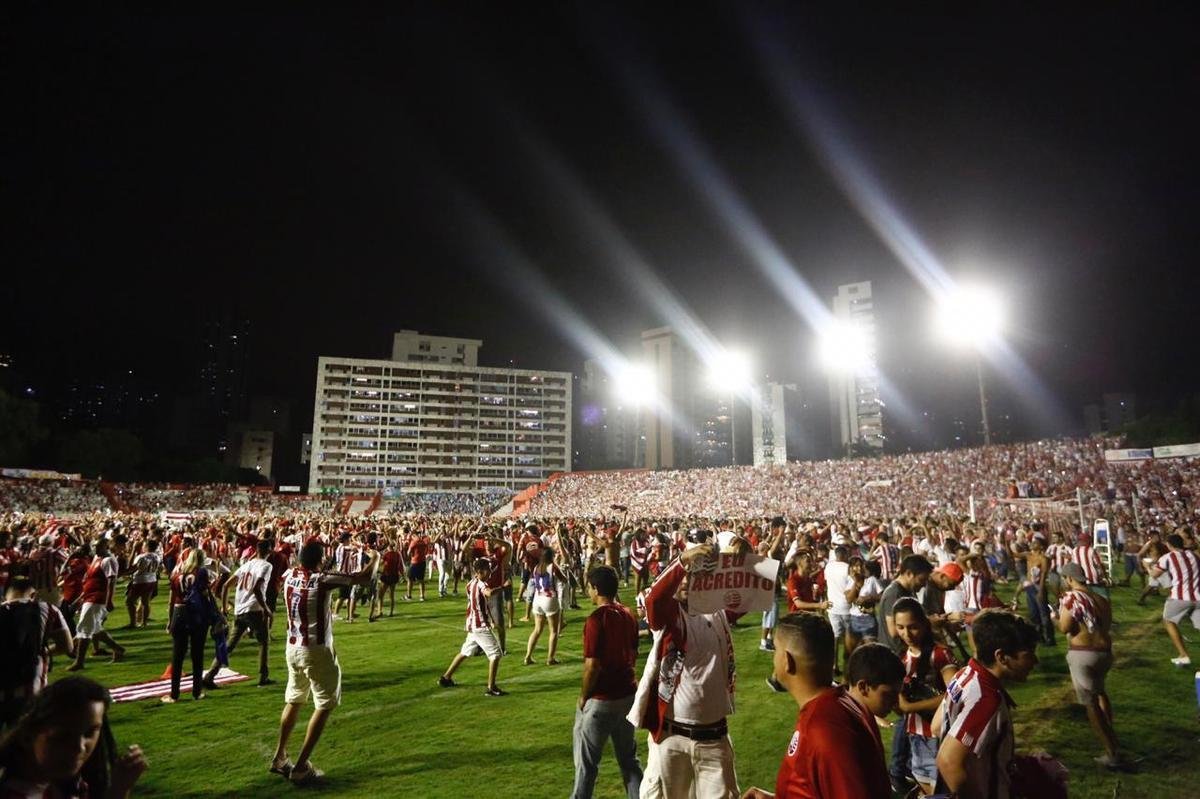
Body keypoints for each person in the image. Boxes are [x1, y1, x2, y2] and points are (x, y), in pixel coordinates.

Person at [738, 612, 894, 799]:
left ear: (787, 661)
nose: (774, 658)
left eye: (777, 649)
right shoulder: (842, 703)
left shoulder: (824, 728)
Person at [631, 537, 741, 799]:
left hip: (714, 737)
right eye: (682, 577)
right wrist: (682, 562)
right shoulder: (669, 617)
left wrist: (736, 558)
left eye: (691, 577)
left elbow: (749, 592)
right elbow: (655, 602)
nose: (684, 582)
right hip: (672, 738)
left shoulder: (717, 612)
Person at [271, 538, 378, 785]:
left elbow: (300, 575)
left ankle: (279, 757)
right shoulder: (322, 579)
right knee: (325, 703)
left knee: (294, 699)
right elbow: (364, 578)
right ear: (319, 560)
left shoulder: (289, 574)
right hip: (316, 649)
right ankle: (300, 767)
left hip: (292, 646)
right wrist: (375, 557)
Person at [935, 609, 1040, 799]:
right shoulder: (986, 700)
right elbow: (948, 760)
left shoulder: (965, 673)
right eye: (1029, 653)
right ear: (1001, 657)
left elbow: (937, 726)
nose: (1035, 661)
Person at [0, 676, 147, 799]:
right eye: (63, 736)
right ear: (29, 735)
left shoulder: (65, 783)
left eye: (89, 733)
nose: (79, 746)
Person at [572, 565, 642, 799]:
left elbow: (593, 665)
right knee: (629, 761)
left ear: (595, 588)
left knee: (586, 767)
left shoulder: (596, 619)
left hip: (602, 700)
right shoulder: (628, 613)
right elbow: (634, 651)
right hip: (628, 695)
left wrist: (583, 696)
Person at [1056, 562, 1130, 770]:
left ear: (1069, 579)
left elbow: (1064, 627)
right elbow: (1105, 625)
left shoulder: (1071, 598)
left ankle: (1111, 752)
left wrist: (1055, 617)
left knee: (1090, 703)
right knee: (1100, 693)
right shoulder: (1102, 599)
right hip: (1104, 652)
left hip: (1083, 654)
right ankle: (1110, 733)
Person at [892, 597, 959, 795]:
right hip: (914, 736)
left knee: (940, 790)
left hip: (938, 737)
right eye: (900, 627)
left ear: (924, 624)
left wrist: (910, 708)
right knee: (925, 787)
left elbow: (956, 693)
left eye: (912, 627)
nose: (906, 634)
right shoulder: (901, 657)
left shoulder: (939, 654)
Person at [0, 576, 73, 729]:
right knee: (23, 742)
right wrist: (43, 651)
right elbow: (67, 646)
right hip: (31, 688)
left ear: (5, 595)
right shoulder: (48, 609)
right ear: (33, 595)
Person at [204, 539, 274, 689]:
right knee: (264, 642)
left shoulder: (246, 564)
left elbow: (225, 586)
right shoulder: (267, 566)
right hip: (254, 609)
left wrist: (224, 608)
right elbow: (256, 589)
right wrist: (266, 609)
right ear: (269, 551)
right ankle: (263, 676)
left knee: (229, 645)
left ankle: (210, 675)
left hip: (240, 609)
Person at [438, 558, 506, 696]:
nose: (490, 572)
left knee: (465, 652)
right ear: (480, 571)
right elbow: (488, 593)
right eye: (487, 570)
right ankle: (491, 687)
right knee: (496, 654)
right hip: (479, 625)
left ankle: (446, 678)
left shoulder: (469, 584)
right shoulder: (481, 584)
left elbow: (481, 604)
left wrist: (491, 619)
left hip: (472, 624)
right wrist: (503, 587)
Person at [163, 548, 219, 703]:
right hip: (196, 615)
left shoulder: (176, 576)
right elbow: (205, 594)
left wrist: (170, 620)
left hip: (178, 614)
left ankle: (174, 694)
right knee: (197, 654)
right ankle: (196, 691)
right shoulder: (201, 573)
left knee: (177, 656)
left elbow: (171, 600)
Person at [66, 539, 125, 672]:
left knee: (84, 629)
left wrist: (109, 600)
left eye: (98, 546)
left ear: (105, 546)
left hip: (97, 598)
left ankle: (79, 661)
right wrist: (80, 599)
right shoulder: (97, 558)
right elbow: (90, 580)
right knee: (95, 628)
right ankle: (118, 649)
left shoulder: (108, 560)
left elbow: (111, 581)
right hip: (90, 596)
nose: (95, 548)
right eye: (93, 546)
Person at [1149, 533, 1200, 666]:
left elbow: (1154, 575)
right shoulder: (1194, 555)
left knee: (1168, 621)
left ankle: (1184, 655)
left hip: (1180, 597)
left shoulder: (1167, 557)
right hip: (1198, 596)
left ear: (1169, 545)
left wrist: (1146, 566)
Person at [524, 548, 565, 666]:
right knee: (553, 631)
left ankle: (528, 656)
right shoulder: (553, 566)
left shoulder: (537, 567)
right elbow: (564, 579)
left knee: (537, 630)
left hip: (537, 599)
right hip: (549, 598)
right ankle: (550, 658)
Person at [124, 538, 161, 629]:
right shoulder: (157, 556)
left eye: (144, 545)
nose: (142, 547)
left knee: (129, 601)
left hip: (140, 580)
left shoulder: (141, 557)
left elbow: (131, 567)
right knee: (146, 602)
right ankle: (144, 623)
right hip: (152, 579)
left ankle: (133, 623)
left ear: (147, 546)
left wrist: (133, 550)